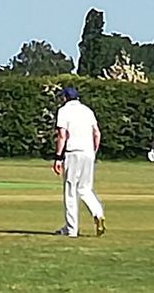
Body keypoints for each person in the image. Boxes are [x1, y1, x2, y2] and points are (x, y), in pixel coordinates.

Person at [52, 87, 105, 238]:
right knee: (85, 189)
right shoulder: (87, 110)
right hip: (88, 153)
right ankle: (98, 214)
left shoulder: (63, 111)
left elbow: (62, 135)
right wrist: (93, 152)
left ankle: (71, 229)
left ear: (65, 98)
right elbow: (97, 133)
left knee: (70, 191)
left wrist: (58, 157)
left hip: (73, 152)